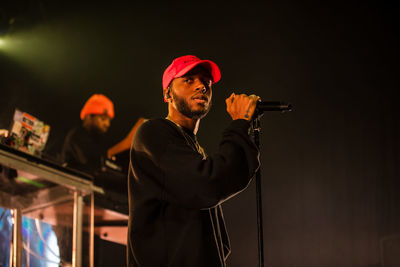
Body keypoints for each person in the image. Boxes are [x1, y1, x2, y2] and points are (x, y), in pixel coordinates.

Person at [127, 55, 260, 266]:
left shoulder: (193, 149)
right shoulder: (153, 133)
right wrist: (239, 123)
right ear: (167, 93)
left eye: (206, 82)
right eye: (189, 80)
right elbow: (208, 184)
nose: (201, 86)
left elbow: (217, 240)